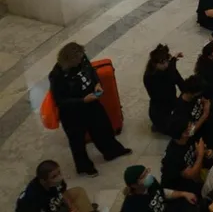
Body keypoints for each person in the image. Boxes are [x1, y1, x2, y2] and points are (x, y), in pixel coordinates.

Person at [49, 42, 131, 175]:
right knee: (78, 142)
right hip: (73, 114)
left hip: (91, 103)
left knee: (103, 128)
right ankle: (84, 167)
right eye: (77, 60)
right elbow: (60, 101)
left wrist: (97, 83)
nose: (81, 61)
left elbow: (91, 71)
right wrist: (82, 100)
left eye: (82, 57)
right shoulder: (57, 75)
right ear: (69, 60)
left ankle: (112, 151)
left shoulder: (82, 59)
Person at [16, 160, 96, 212]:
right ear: (44, 181)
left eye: (59, 172)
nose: (59, 177)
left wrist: (71, 206)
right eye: (54, 176)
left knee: (78, 191)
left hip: (54, 204)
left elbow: (63, 191)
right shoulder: (34, 198)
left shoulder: (56, 181)